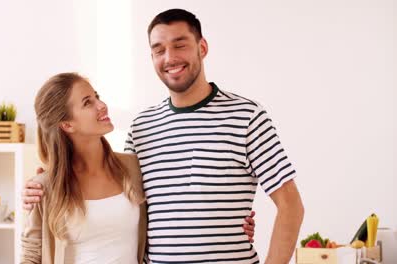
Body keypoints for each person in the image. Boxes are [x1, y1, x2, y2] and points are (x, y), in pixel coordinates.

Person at [25, 8, 304, 263]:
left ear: (202, 48)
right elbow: (130, 208)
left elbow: (290, 206)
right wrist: (45, 184)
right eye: (159, 50)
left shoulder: (247, 117)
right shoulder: (142, 128)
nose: (169, 58)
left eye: (179, 45)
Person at [21, 73, 147, 264]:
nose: (101, 105)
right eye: (88, 103)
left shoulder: (133, 168)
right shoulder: (45, 187)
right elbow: (32, 255)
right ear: (67, 124)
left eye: (97, 96)